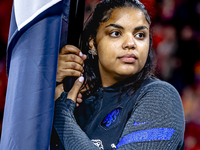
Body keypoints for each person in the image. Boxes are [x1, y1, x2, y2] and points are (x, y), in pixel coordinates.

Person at [54, 0, 185, 149]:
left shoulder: (161, 97)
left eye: (140, 35)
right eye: (116, 33)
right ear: (92, 42)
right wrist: (48, 88)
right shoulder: (75, 99)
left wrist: (61, 114)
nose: (130, 43)